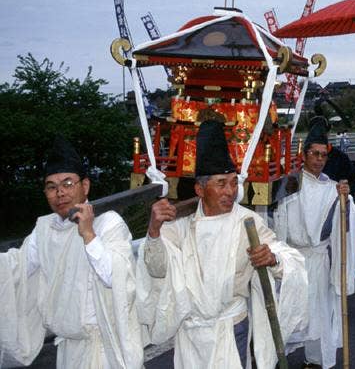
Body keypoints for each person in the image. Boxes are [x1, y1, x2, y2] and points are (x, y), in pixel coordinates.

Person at [137, 120, 308, 369]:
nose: (230, 191)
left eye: (233, 182)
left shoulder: (247, 222)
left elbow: (287, 255)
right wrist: (153, 231)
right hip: (190, 334)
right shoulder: (180, 227)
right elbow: (157, 268)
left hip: (230, 328)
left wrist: (272, 258)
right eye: (221, 183)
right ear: (200, 188)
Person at [0, 136, 143, 368]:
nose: (60, 193)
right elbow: (18, 266)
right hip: (68, 350)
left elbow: (116, 277)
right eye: (51, 187)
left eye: (67, 184)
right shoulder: (45, 228)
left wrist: (88, 235)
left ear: (84, 186)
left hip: (104, 349)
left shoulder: (108, 223)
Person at [274, 117, 355, 369]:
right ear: (304, 155)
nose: (319, 159)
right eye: (315, 154)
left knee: (321, 313)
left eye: (324, 155)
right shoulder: (289, 183)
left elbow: (348, 222)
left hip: (319, 259)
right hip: (293, 259)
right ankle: (274, 356)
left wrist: (347, 203)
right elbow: (277, 219)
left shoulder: (332, 188)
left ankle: (315, 360)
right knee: (290, 310)